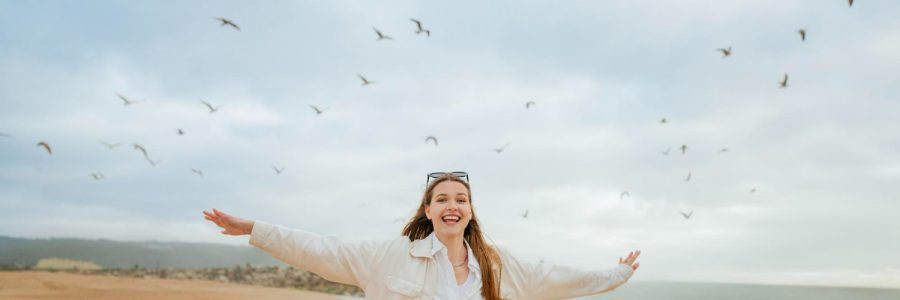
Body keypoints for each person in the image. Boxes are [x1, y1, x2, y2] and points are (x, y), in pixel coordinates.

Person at [203, 172, 640, 299]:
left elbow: (560, 277)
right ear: (428, 210)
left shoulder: (498, 266)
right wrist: (254, 230)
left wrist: (616, 273)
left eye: (461, 199)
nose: (453, 205)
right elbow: (320, 250)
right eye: (443, 198)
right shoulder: (390, 257)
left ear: (469, 211)